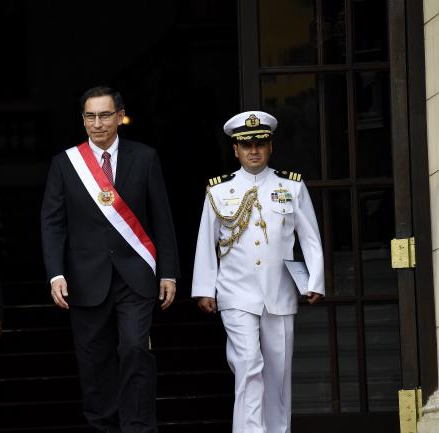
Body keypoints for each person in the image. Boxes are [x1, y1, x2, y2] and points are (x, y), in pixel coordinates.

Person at [40, 86, 180, 433]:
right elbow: (52, 223)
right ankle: (103, 426)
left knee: (135, 350)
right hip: (84, 279)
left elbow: (162, 218)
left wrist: (170, 273)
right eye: (90, 116)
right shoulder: (65, 163)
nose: (97, 123)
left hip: (136, 276)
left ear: (120, 116)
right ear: (83, 119)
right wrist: (55, 274)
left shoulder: (144, 157)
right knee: (93, 361)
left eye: (105, 115)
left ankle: (138, 426)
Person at [191, 111, 325, 433]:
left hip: (278, 291)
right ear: (235, 150)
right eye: (246, 144)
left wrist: (315, 279)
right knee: (248, 364)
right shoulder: (219, 190)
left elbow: (309, 237)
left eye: (260, 143)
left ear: (270, 147)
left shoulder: (290, 186)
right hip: (236, 292)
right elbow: (205, 242)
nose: (254, 150)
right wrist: (204, 289)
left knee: (278, 375)